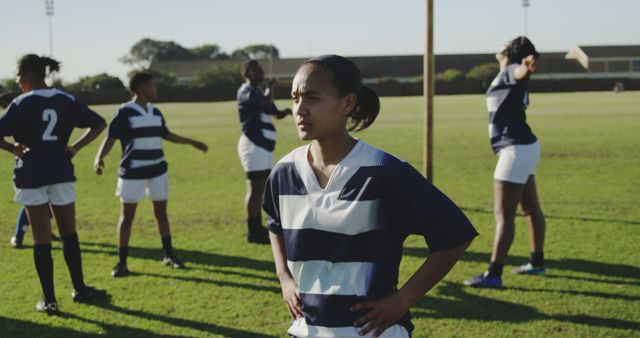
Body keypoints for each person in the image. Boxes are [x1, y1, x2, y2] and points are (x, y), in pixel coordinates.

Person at [264, 55, 478, 338]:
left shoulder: (384, 172)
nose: (299, 110)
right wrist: (284, 277)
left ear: (348, 104)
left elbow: (454, 234)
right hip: (306, 331)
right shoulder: (284, 172)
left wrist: (402, 300)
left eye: (312, 98)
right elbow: (275, 223)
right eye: (295, 99)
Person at [0, 54, 109, 314]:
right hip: (61, 171)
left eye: (18, 77)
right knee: (69, 233)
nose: (17, 82)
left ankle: (49, 300)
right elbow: (99, 123)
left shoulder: (20, 102)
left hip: (31, 176)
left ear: (27, 76)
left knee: (41, 238)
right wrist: (75, 148)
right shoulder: (65, 98)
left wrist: (12, 148)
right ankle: (80, 289)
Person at [94, 71, 208, 278]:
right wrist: (99, 157)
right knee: (127, 218)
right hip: (132, 172)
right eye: (152, 85)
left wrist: (192, 142)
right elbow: (111, 137)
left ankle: (168, 255)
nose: (155, 89)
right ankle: (122, 262)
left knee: (161, 214)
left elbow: (166, 134)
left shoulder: (156, 112)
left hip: (158, 170)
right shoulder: (124, 111)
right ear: (141, 88)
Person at [464, 37, 547, 288]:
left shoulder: (512, 71)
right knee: (531, 209)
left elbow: (518, 71)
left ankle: (493, 274)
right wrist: (520, 64)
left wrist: (526, 65)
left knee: (504, 216)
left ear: (510, 53)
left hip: (515, 149)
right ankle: (537, 262)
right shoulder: (506, 72)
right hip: (524, 147)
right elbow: (512, 69)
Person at [236, 60, 291, 244]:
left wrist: (287, 111)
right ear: (247, 74)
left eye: (260, 70)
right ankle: (252, 231)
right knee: (254, 189)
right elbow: (265, 101)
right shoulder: (245, 91)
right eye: (256, 70)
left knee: (261, 189)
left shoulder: (259, 91)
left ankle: (257, 227)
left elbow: (274, 111)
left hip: (264, 145)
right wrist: (272, 88)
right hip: (253, 143)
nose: (260, 72)